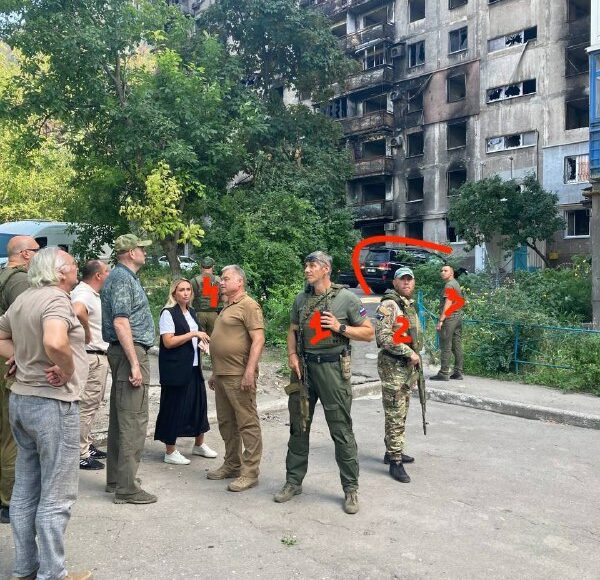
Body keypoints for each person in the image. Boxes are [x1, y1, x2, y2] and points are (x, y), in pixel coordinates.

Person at [0, 247, 91, 580]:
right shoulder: (55, 300)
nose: (76, 267)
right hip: (53, 404)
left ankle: (25, 569)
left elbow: (1, 336)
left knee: (25, 490)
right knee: (57, 494)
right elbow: (55, 342)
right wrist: (66, 369)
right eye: (72, 264)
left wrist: (19, 357)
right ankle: (53, 574)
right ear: (58, 271)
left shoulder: (24, 299)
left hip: (21, 401)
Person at [274, 251, 374, 515]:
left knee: (341, 430)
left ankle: (350, 488)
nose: (307, 270)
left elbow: (368, 332)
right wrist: (292, 355)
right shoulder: (301, 298)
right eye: (306, 265)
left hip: (332, 369)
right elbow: (293, 330)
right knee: (298, 426)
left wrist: (340, 328)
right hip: (304, 369)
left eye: (312, 265)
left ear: (326, 269)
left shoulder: (347, 299)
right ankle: (293, 482)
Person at [101, 234, 157, 505]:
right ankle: (127, 488)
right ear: (131, 252)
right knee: (133, 420)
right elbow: (121, 322)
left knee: (121, 418)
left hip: (125, 351)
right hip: (129, 351)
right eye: (142, 249)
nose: (145, 253)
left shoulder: (122, 277)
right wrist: (135, 362)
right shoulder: (123, 278)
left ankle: (118, 479)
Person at [206, 265, 265, 492]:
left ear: (239, 282)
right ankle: (232, 463)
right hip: (222, 374)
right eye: (221, 278)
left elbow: (258, 340)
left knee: (247, 423)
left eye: (226, 278)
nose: (221, 282)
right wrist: (214, 371)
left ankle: (250, 472)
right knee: (227, 423)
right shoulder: (227, 306)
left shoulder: (249, 305)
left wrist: (250, 371)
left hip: (239, 374)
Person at [154, 278, 217, 465]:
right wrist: (193, 334)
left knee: (198, 405)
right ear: (174, 293)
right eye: (181, 290)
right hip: (175, 369)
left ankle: (199, 444)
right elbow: (168, 341)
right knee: (173, 407)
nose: (186, 293)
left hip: (194, 367)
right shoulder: (168, 313)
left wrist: (202, 343)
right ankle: (170, 451)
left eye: (188, 289)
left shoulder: (192, 312)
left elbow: (193, 338)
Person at [0, 235, 40, 525]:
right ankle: (10, 501)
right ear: (26, 255)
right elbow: (27, 321)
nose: (39, 255)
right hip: (10, 361)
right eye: (37, 251)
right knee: (13, 434)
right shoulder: (20, 282)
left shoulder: (5, 275)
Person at [374, 267, 423, 484]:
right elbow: (383, 337)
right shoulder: (389, 305)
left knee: (401, 412)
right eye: (402, 280)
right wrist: (408, 352)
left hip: (406, 369)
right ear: (394, 283)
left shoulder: (406, 304)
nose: (406, 283)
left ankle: (393, 450)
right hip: (393, 367)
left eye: (409, 280)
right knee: (395, 413)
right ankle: (395, 461)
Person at [71, 259, 111, 471]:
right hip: (91, 356)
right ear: (98, 275)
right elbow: (78, 311)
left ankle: (86, 444)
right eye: (107, 271)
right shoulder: (83, 293)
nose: (109, 274)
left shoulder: (89, 293)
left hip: (96, 356)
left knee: (93, 404)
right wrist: (87, 332)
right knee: (86, 405)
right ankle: (79, 452)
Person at [430, 264, 464, 381]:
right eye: (441, 270)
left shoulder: (449, 285)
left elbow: (448, 303)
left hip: (449, 318)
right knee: (456, 345)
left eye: (445, 270)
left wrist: (441, 320)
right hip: (458, 317)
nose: (442, 272)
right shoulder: (455, 283)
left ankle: (444, 373)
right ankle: (458, 372)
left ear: (451, 273)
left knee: (446, 345)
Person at [190, 256, 222, 336]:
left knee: (200, 339)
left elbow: (190, 298)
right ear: (213, 267)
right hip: (214, 314)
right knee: (213, 340)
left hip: (199, 314)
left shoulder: (194, 281)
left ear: (201, 267)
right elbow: (222, 297)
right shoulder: (218, 280)